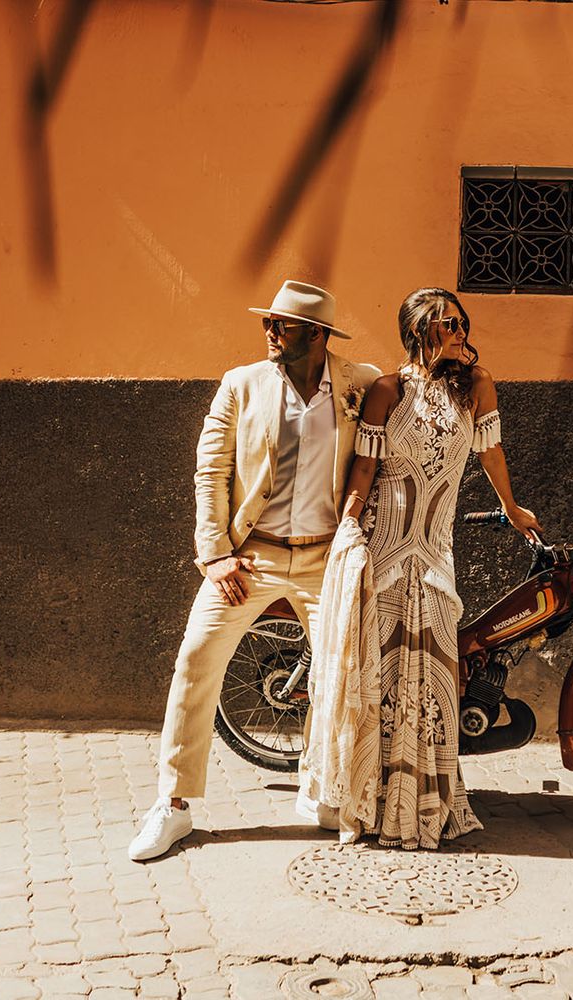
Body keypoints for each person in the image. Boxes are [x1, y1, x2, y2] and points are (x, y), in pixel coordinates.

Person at [129, 280, 380, 861]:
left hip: (326, 558)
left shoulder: (359, 384)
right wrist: (215, 553)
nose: (269, 332)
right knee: (196, 659)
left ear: (316, 335)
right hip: (251, 556)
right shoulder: (241, 385)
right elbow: (210, 473)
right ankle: (173, 805)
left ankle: (325, 790)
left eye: (281, 325)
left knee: (339, 675)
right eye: (268, 322)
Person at [298, 287, 541, 850]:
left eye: (461, 322)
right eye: (446, 324)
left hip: (434, 551)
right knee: (381, 674)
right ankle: (375, 798)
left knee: (435, 674)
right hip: (385, 545)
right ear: (417, 331)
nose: (459, 332)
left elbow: (491, 453)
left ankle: (426, 796)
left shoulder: (476, 387)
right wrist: (349, 525)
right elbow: (366, 468)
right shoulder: (388, 390)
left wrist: (511, 507)